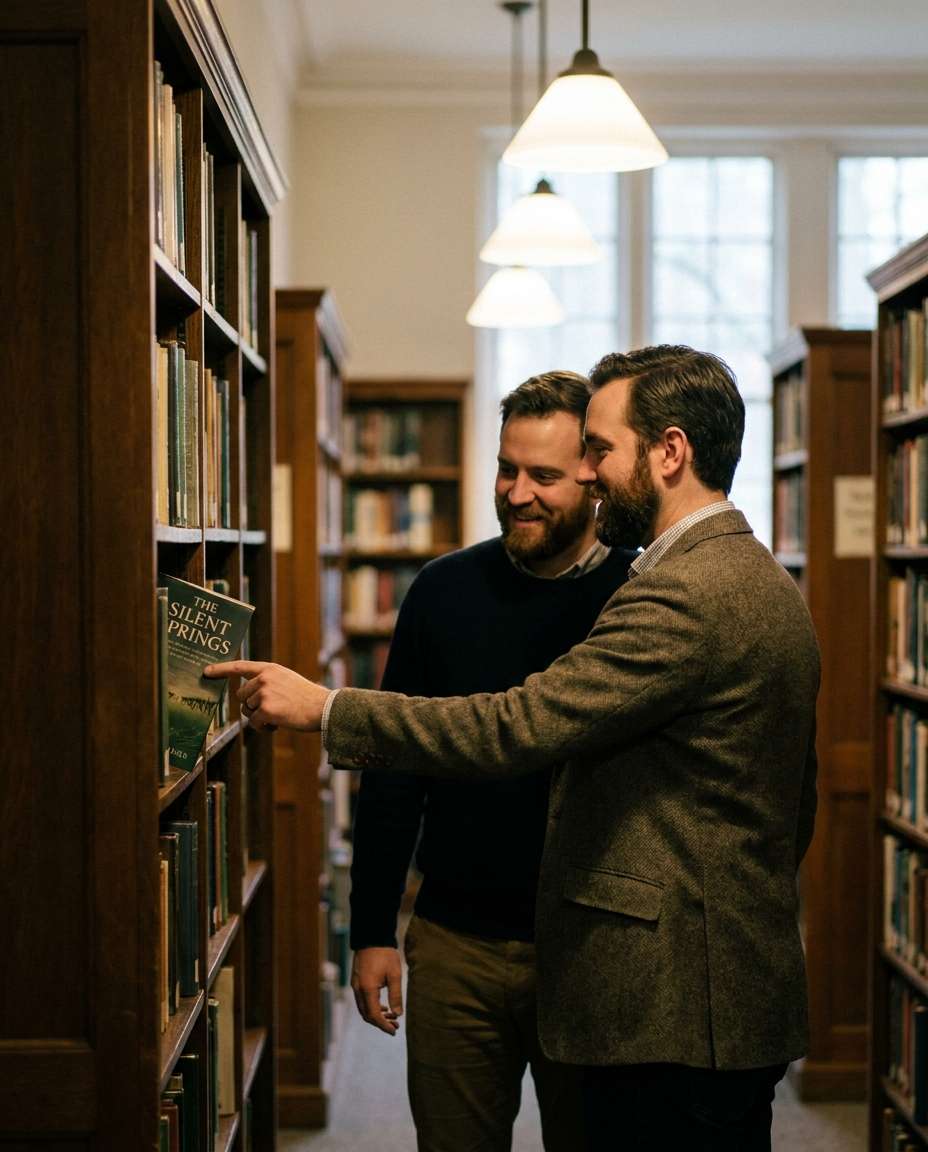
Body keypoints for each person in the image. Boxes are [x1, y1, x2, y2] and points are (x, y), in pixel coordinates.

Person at [208, 344, 820, 1152]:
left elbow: (518, 726)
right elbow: (792, 804)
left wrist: (327, 708)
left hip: (669, 1001)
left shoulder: (678, 593)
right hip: (659, 980)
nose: (592, 476)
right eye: (514, 469)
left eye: (597, 453)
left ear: (670, 452)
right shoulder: (754, 578)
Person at [348, 370, 637, 1152]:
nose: (517, 493)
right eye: (506, 470)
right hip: (455, 942)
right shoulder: (441, 590)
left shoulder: (640, 598)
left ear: (595, 477)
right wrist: (372, 928)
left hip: (589, 947)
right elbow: (391, 763)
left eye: (544, 475)